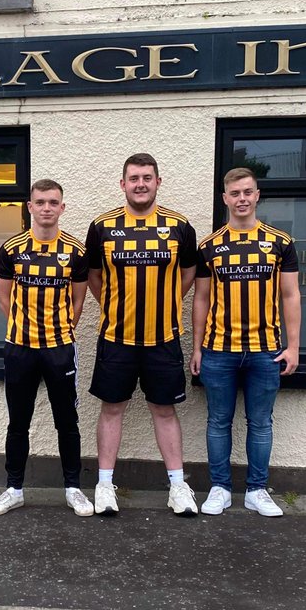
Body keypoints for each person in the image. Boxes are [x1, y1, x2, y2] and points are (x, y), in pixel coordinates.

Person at [86, 153, 199, 516]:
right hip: (117, 337)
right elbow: (93, 278)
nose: (140, 184)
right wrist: (118, 305)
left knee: (164, 410)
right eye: (133, 178)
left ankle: (178, 487)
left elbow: (187, 276)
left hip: (162, 337)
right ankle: (104, 485)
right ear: (122, 184)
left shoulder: (179, 226)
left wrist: (163, 303)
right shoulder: (102, 226)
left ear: (158, 182)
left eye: (147, 177)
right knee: (112, 408)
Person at [189, 166, 302, 517]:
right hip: (219, 349)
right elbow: (201, 299)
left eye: (248, 192)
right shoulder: (209, 246)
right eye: (235, 193)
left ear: (257, 195)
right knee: (218, 421)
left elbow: (291, 296)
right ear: (225, 198)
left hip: (265, 350)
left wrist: (293, 346)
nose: (242, 199)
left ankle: (256, 489)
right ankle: (220, 488)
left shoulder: (280, 243)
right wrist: (196, 348)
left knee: (261, 422)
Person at [0, 179, 94, 517]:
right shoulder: (12, 248)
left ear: (62, 207)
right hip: (19, 347)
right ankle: (14, 489)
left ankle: (73, 489)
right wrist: (26, 329)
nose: (47, 207)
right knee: (18, 421)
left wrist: (56, 331)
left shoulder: (76, 251)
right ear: (29, 206)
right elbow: (4, 298)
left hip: (59, 348)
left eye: (53, 202)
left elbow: (78, 303)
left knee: (68, 421)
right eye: (40, 202)